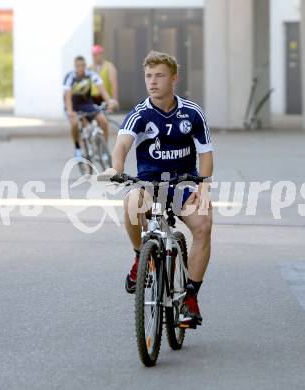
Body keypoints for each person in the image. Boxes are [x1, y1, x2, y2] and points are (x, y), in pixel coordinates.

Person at [104, 51, 213, 326]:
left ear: (174, 78)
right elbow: (122, 146)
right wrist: (116, 170)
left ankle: (190, 297)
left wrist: (204, 186)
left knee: (203, 226)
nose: (153, 82)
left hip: (184, 184)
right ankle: (141, 256)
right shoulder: (140, 113)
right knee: (130, 203)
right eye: (148, 76)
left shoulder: (192, 112)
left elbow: (206, 155)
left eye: (159, 76)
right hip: (149, 184)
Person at [63, 55, 117, 159]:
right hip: (73, 106)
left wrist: (109, 101)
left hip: (87, 104)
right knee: (75, 124)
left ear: (85, 65)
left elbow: (102, 90)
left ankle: (103, 150)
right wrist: (70, 111)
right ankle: (78, 148)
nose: (80, 68)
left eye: (82, 65)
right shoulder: (70, 77)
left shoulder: (91, 74)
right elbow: (67, 97)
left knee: (103, 121)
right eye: (78, 66)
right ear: (75, 66)